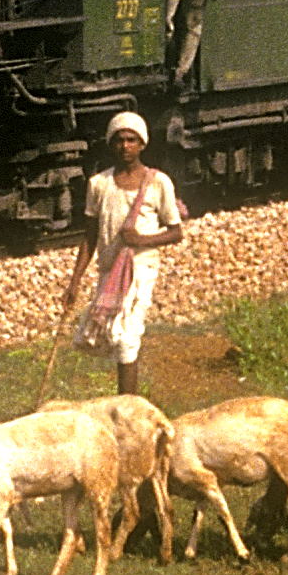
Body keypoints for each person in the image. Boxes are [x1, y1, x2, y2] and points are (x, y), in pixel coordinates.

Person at [66, 111, 188, 400]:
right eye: (119, 140)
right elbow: (90, 236)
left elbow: (175, 232)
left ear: (142, 144)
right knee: (109, 335)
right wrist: (74, 281)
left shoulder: (159, 183)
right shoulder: (99, 184)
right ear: (111, 145)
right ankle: (126, 401)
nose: (125, 146)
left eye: (131, 140)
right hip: (109, 270)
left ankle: (127, 407)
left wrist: (142, 240)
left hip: (141, 269)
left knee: (126, 338)